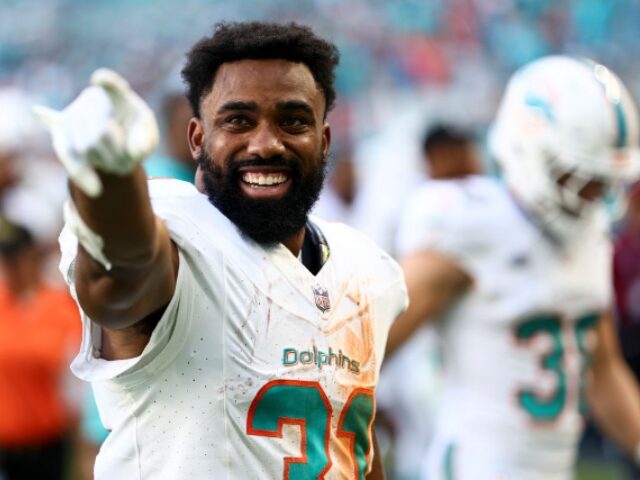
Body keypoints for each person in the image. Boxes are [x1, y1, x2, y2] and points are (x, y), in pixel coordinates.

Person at [35, 21, 407, 479]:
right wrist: (110, 175)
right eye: (238, 121)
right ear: (197, 138)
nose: (266, 143)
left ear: (324, 140)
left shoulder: (366, 268)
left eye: (293, 120)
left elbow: (352, 447)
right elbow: (125, 272)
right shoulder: (180, 237)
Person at [386, 55, 640, 479]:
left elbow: (603, 370)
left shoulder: (591, 237)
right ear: (529, 148)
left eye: (601, 181)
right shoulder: (471, 226)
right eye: (578, 176)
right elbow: (364, 346)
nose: (593, 195)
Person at [376, 122, 481, 480]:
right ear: (440, 155)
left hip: (437, 347)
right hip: (414, 347)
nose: (474, 164)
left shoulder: (456, 203)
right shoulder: (419, 206)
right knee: (426, 444)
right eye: (465, 153)